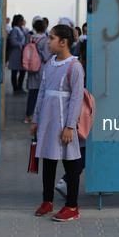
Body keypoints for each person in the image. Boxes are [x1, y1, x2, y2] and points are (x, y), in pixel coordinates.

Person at [31, 24, 84, 222]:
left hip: (64, 121)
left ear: (63, 42)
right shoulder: (49, 63)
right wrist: (36, 119)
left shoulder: (74, 66)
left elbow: (77, 98)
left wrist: (70, 126)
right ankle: (47, 201)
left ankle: (72, 206)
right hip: (47, 118)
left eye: (51, 38)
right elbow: (42, 93)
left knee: (70, 162)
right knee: (49, 158)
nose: (48, 41)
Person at [23, 16, 50, 124]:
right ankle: (40, 117)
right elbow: (46, 57)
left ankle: (27, 115)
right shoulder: (44, 40)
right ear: (44, 28)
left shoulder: (29, 37)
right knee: (42, 94)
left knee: (32, 94)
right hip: (41, 69)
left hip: (31, 68)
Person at [8, 14, 26, 95]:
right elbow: (13, 42)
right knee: (14, 72)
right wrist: (21, 43)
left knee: (22, 72)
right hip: (15, 54)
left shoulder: (20, 29)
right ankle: (15, 89)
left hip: (21, 54)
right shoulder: (15, 30)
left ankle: (20, 87)